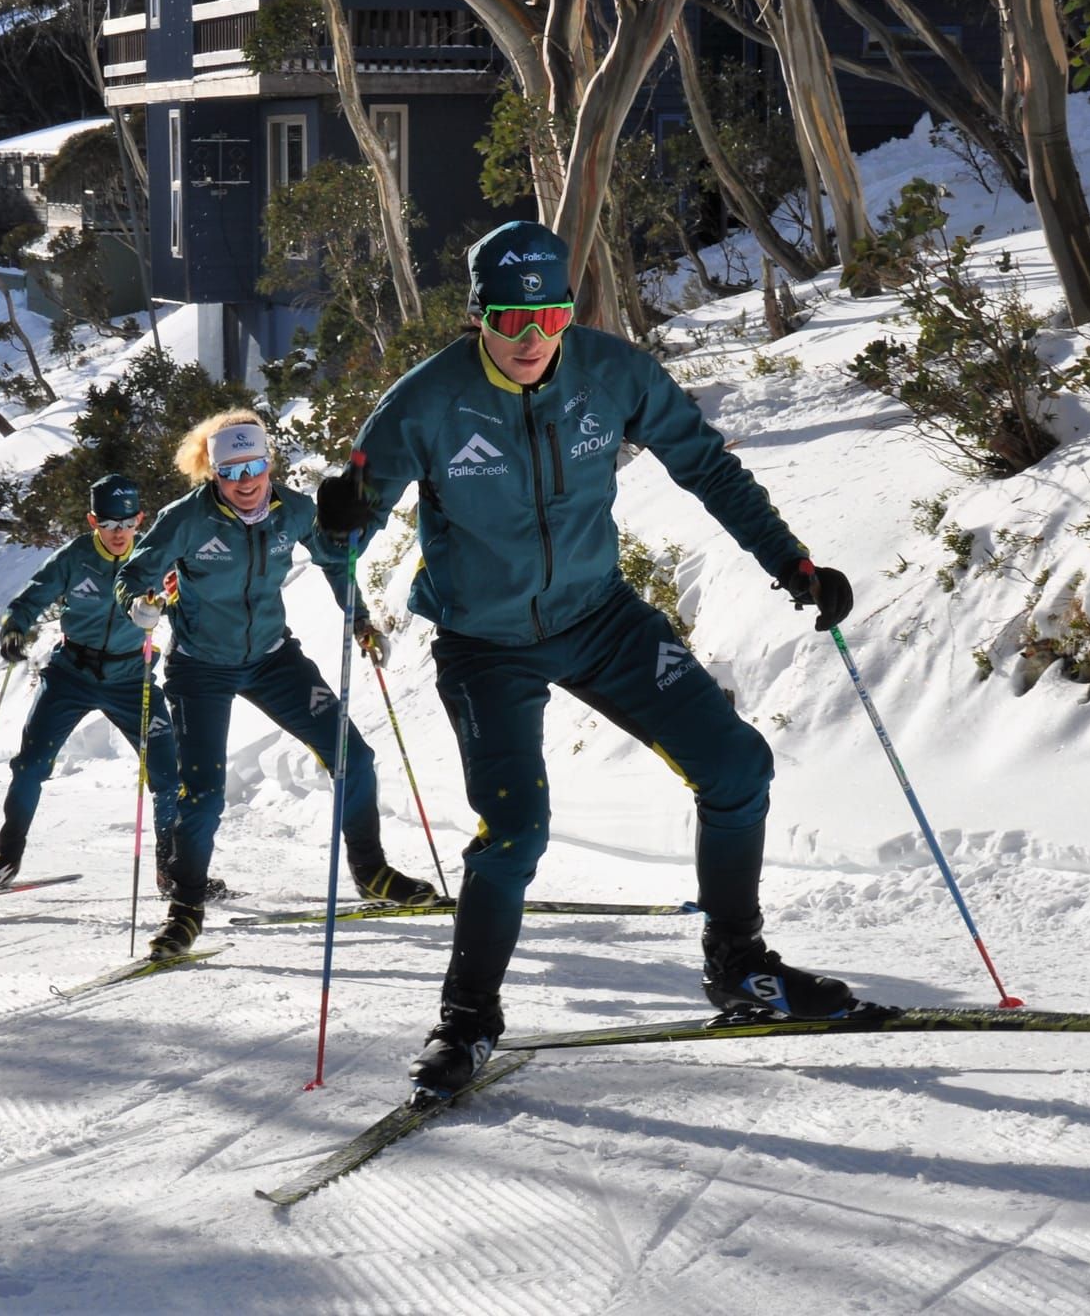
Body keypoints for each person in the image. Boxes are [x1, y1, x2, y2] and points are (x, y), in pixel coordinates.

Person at [316, 220, 858, 1097]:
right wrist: (338, 523)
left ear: (571, 310)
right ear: (477, 316)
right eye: (510, 320)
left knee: (736, 766)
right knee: (517, 829)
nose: (532, 340)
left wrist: (789, 561)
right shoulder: (425, 402)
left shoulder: (614, 374)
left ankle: (740, 968)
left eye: (552, 316)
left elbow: (706, 466)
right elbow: (343, 527)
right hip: (483, 643)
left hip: (600, 617)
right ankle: (466, 1021)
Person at [117, 411, 439, 958]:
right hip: (200, 667)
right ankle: (187, 907)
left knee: (353, 757)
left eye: (256, 466)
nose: (246, 482)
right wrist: (141, 606)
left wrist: (359, 619)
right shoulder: (185, 520)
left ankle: (370, 871)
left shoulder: (294, 510)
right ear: (213, 474)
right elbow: (134, 574)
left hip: (272, 658)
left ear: (271, 463)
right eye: (231, 471)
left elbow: (335, 560)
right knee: (203, 796)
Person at [0, 474, 196, 897]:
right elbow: (30, 599)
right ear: (93, 521)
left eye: (127, 524)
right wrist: (14, 629)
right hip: (71, 674)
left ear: (140, 519)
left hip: (132, 679)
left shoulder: (156, 557)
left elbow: (191, 600)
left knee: (169, 776)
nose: (118, 533)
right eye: (108, 524)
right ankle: (6, 859)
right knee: (30, 766)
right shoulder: (74, 557)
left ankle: (172, 869)